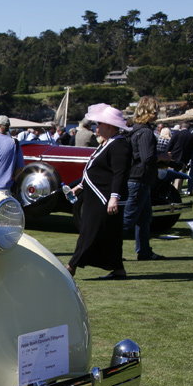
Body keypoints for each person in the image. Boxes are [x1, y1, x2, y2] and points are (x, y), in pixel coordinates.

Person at [66, 105, 132, 280]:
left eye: (99, 124)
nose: (96, 127)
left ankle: (71, 266)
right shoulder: (108, 143)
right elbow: (95, 170)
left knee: (90, 230)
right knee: (111, 233)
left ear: (109, 125)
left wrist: (114, 197)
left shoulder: (119, 145)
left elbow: (120, 173)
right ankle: (118, 268)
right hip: (97, 196)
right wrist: (80, 187)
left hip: (105, 197)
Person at [122, 96, 166, 262]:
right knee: (129, 217)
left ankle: (144, 250)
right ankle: (108, 249)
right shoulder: (146, 132)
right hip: (140, 178)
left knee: (143, 216)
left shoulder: (134, 129)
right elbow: (148, 158)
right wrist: (162, 157)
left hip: (136, 177)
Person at [167, 122, 193, 193]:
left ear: (181, 127)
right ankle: (176, 191)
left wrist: (168, 152)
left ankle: (168, 189)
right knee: (179, 176)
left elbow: (171, 143)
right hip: (184, 158)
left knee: (170, 173)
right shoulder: (192, 136)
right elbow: (191, 149)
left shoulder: (177, 134)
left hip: (174, 156)